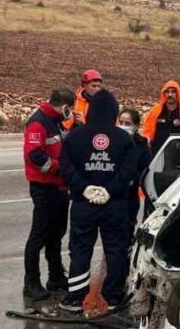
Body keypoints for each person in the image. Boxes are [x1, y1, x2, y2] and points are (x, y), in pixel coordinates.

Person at [58, 89, 137, 317]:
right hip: (114, 205)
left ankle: (75, 297)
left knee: (80, 249)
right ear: (113, 112)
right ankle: (113, 296)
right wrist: (110, 190)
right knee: (115, 249)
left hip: (84, 204)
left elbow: (65, 166)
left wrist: (84, 188)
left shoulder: (75, 136)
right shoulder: (124, 138)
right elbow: (129, 169)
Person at [22, 89, 76, 301]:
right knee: (39, 236)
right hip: (45, 187)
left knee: (56, 234)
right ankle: (31, 282)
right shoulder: (39, 122)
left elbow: (63, 142)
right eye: (70, 109)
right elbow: (35, 155)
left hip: (59, 187)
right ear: (64, 106)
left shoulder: (55, 121)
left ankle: (56, 276)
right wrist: (60, 168)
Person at [117, 107, 152, 238]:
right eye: (121, 122)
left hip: (129, 196)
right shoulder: (112, 140)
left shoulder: (142, 145)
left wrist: (132, 179)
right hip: (112, 196)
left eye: (127, 123)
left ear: (136, 126)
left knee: (126, 231)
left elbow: (145, 171)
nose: (123, 126)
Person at [140, 80, 180, 152]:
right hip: (157, 151)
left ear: (178, 93)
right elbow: (147, 130)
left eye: (173, 92)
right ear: (164, 93)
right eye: (167, 92)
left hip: (177, 152)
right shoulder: (155, 110)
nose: (170, 95)